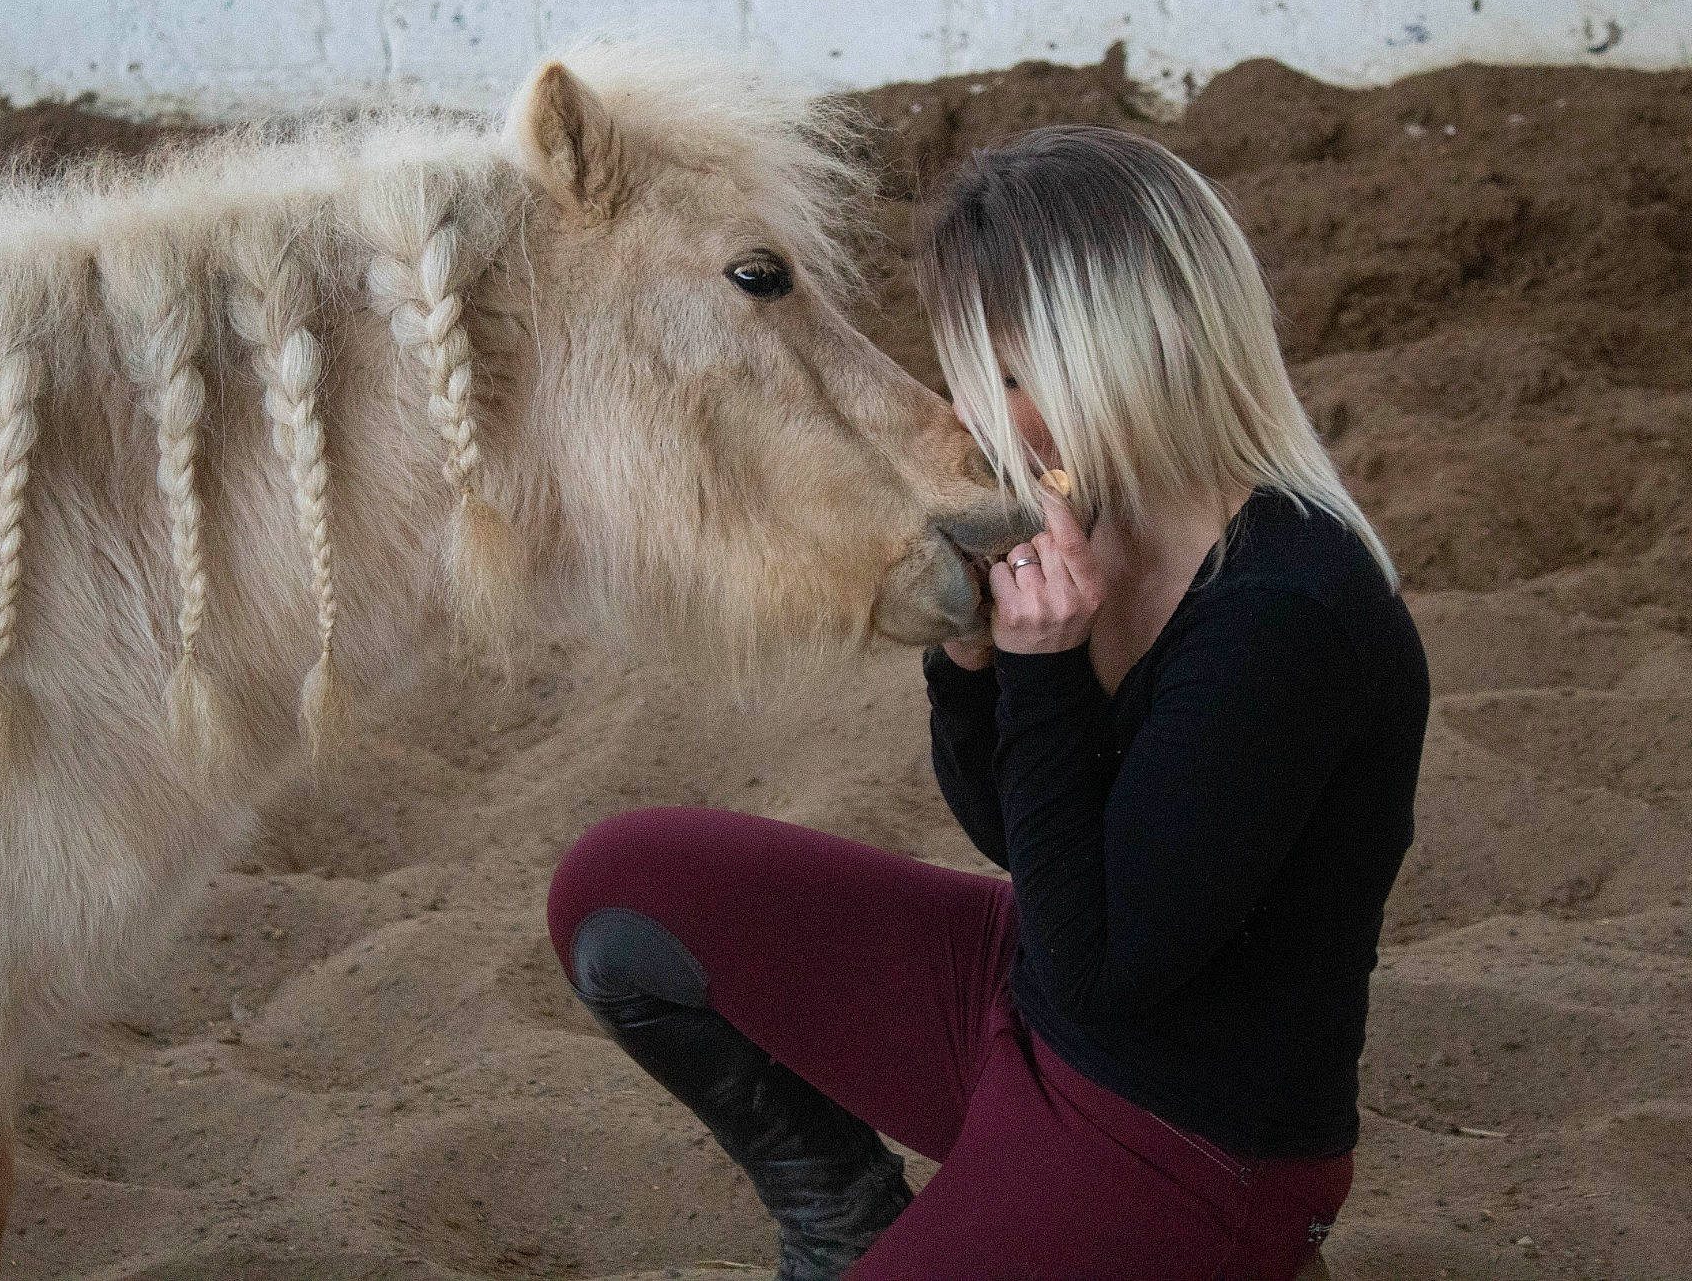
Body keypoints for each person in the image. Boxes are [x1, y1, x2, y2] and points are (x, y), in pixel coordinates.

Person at [544, 125, 1429, 1279]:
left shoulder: (1285, 613)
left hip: (1182, 1140)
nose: (982, 416)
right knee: (621, 890)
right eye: (974, 373)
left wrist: (1046, 673)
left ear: (1136, 350)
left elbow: (1104, 971)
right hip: (1029, 1009)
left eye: (1011, 377)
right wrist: (973, 665)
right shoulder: (1100, 515)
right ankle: (840, 1218)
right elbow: (1018, 844)